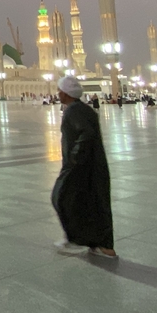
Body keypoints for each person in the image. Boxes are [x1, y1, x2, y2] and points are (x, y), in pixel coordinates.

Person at [51, 76, 116, 259]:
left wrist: (74, 159)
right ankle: (101, 245)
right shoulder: (83, 109)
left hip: (80, 166)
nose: (58, 94)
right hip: (92, 165)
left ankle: (76, 240)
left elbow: (85, 134)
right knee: (92, 202)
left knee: (62, 197)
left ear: (65, 93)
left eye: (60, 91)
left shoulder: (73, 111)